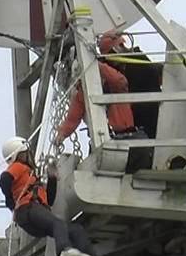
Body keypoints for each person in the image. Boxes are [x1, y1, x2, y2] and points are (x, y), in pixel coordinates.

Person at [0, 136, 115, 256]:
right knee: (58, 223)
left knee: (75, 229)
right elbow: (4, 180)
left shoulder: (30, 178)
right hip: (27, 209)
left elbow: (50, 200)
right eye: (26, 153)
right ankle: (64, 250)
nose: (30, 155)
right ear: (19, 154)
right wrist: (11, 202)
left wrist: (52, 177)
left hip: (33, 214)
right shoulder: (19, 167)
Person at [53, 33, 153, 173]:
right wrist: (61, 134)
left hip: (128, 138)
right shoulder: (83, 94)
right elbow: (72, 118)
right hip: (110, 141)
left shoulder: (113, 85)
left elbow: (120, 81)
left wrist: (96, 65)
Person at [99, 31, 163, 139]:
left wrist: (101, 66)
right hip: (145, 116)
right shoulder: (134, 61)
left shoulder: (136, 63)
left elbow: (121, 82)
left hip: (147, 114)